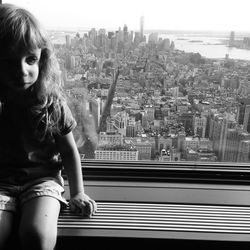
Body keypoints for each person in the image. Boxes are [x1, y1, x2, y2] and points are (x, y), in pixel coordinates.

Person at [0, 3, 97, 250]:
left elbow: (68, 151)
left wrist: (77, 193)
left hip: (43, 181)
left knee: (38, 236)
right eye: (9, 61)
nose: (22, 70)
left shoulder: (51, 102)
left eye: (30, 59)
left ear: (42, 60)